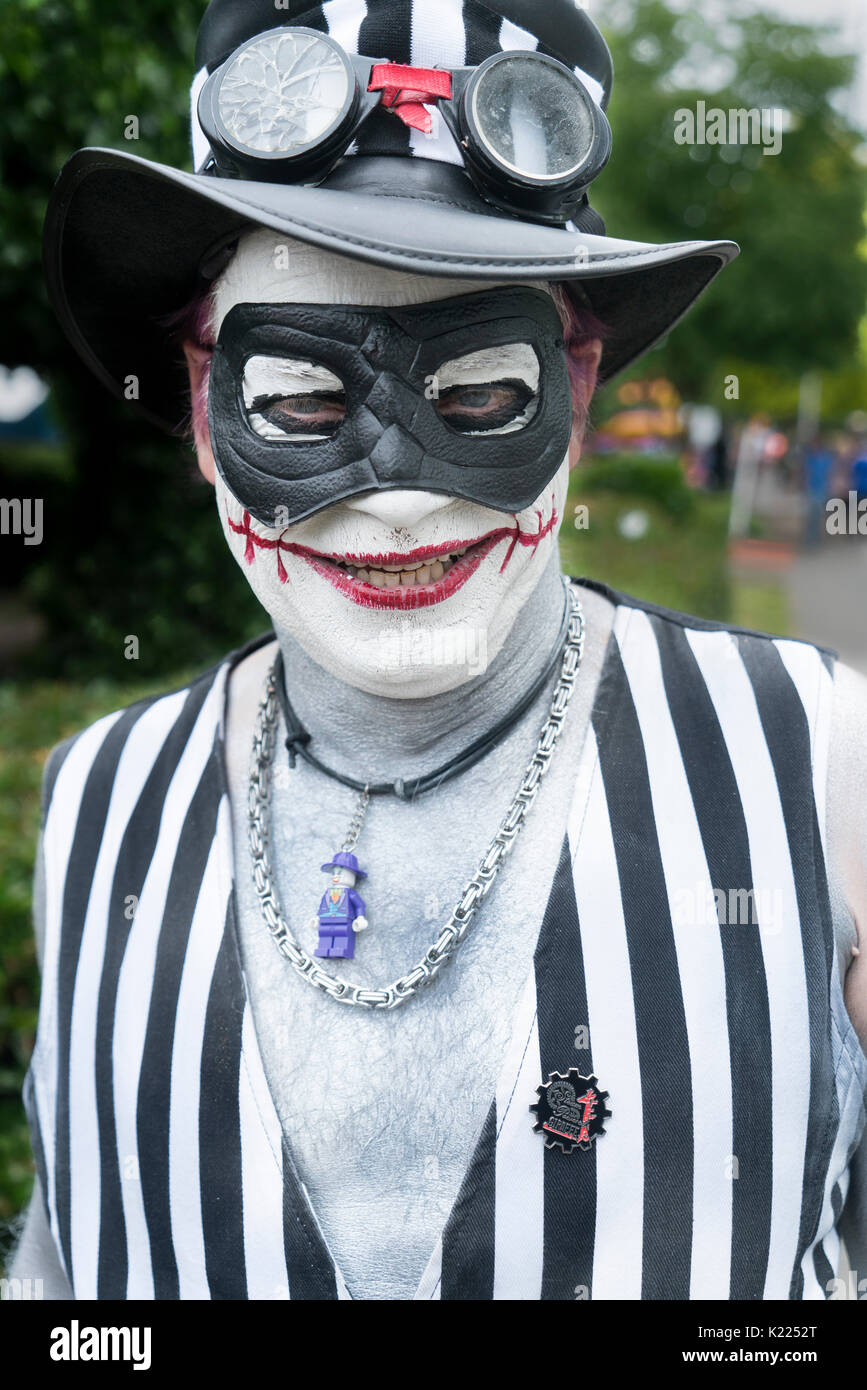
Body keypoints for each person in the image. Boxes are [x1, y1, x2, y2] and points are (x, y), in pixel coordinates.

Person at [9, 0, 867, 1302]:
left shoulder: (822, 764)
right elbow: (69, 1267)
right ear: (200, 404)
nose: (398, 494)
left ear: (576, 384)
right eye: (299, 402)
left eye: (480, 397)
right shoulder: (96, 810)